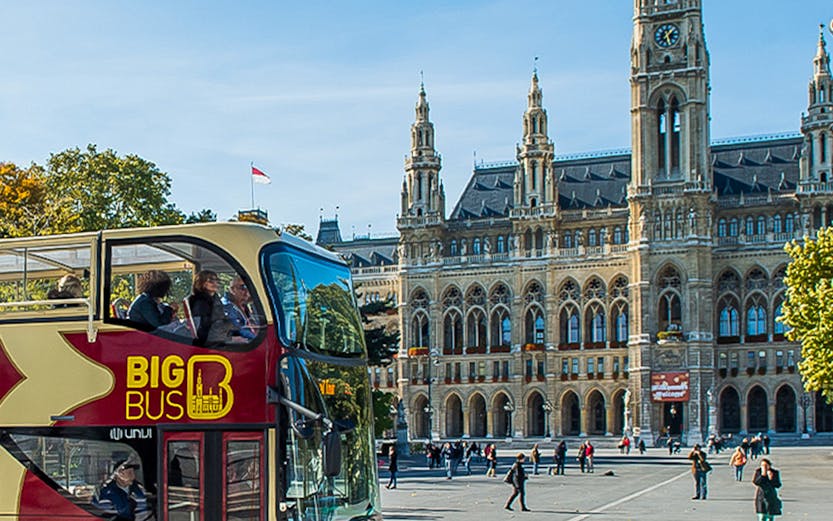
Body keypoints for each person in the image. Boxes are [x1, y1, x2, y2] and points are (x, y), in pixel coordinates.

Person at [188, 270, 233, 346]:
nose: (215, 283)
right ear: (201, 283)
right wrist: (230, 339)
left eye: (216, 280)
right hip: (209, 346)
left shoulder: (215, 300)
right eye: (211, 281)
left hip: (220, 339)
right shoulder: (201, 303)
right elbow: (204, 331)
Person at [222, 276, 257, 340]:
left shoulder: (245, 305)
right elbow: (238, 329)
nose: (247, 291)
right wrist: (256, 338)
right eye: (243, 288)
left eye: (248, 287)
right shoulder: (226, 307)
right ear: (232, 290)